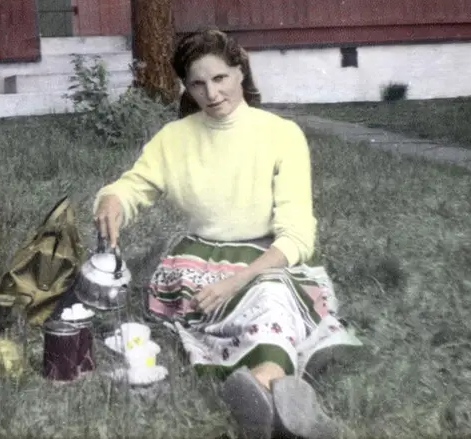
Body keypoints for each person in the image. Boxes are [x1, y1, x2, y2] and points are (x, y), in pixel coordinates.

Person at [93, 29, 360, 439]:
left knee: (271, 295)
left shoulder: (282, 134)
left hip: (265, 260)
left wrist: (238, 279)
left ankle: (264, 390)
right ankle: (285, 397)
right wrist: (112, 200)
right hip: (196, 264)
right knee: (270, 308)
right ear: (187, 87)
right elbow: (133, 187)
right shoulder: (174, 139)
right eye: (197, 84)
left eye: (220, 79)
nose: (212, 94)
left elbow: (297, 236)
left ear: (241, 71)